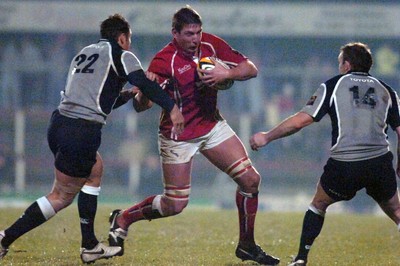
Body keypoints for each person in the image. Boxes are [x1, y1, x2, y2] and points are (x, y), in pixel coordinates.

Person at [0, 14, 184, 264]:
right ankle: (6, 239)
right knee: (61, 196)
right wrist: (172, 108)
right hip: (81, 130)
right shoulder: (121, 54)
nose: (129, 44)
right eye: (128, 39)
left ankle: (89, 244)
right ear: (122, 37)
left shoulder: (84, 52)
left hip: (59, 123)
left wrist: (128, 95)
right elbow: (143, 82)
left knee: (94, 169)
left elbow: (98, 98)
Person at [107, 6, 280, 265]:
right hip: (178, 135)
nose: (195, 39)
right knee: (174, 205)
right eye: (189, 34)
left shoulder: (210, 44)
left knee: (251, 181)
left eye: (198, 32)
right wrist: (144, 91)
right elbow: (140, 106)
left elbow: (251, 68)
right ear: (174, 33)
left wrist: (228, 73)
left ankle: (247, 245)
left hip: (211, 126)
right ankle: (123, 219)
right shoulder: (164, 61)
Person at [250, 42, 400, 266]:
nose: (339, 66)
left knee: (318, 204)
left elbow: (302, 120)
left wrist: (267, 136)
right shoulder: (387, 90)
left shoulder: (333, 85)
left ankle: (301, 258)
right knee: (396, 210)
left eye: (340, 62)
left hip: (345, 163)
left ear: (347, 65)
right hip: (379, 162)